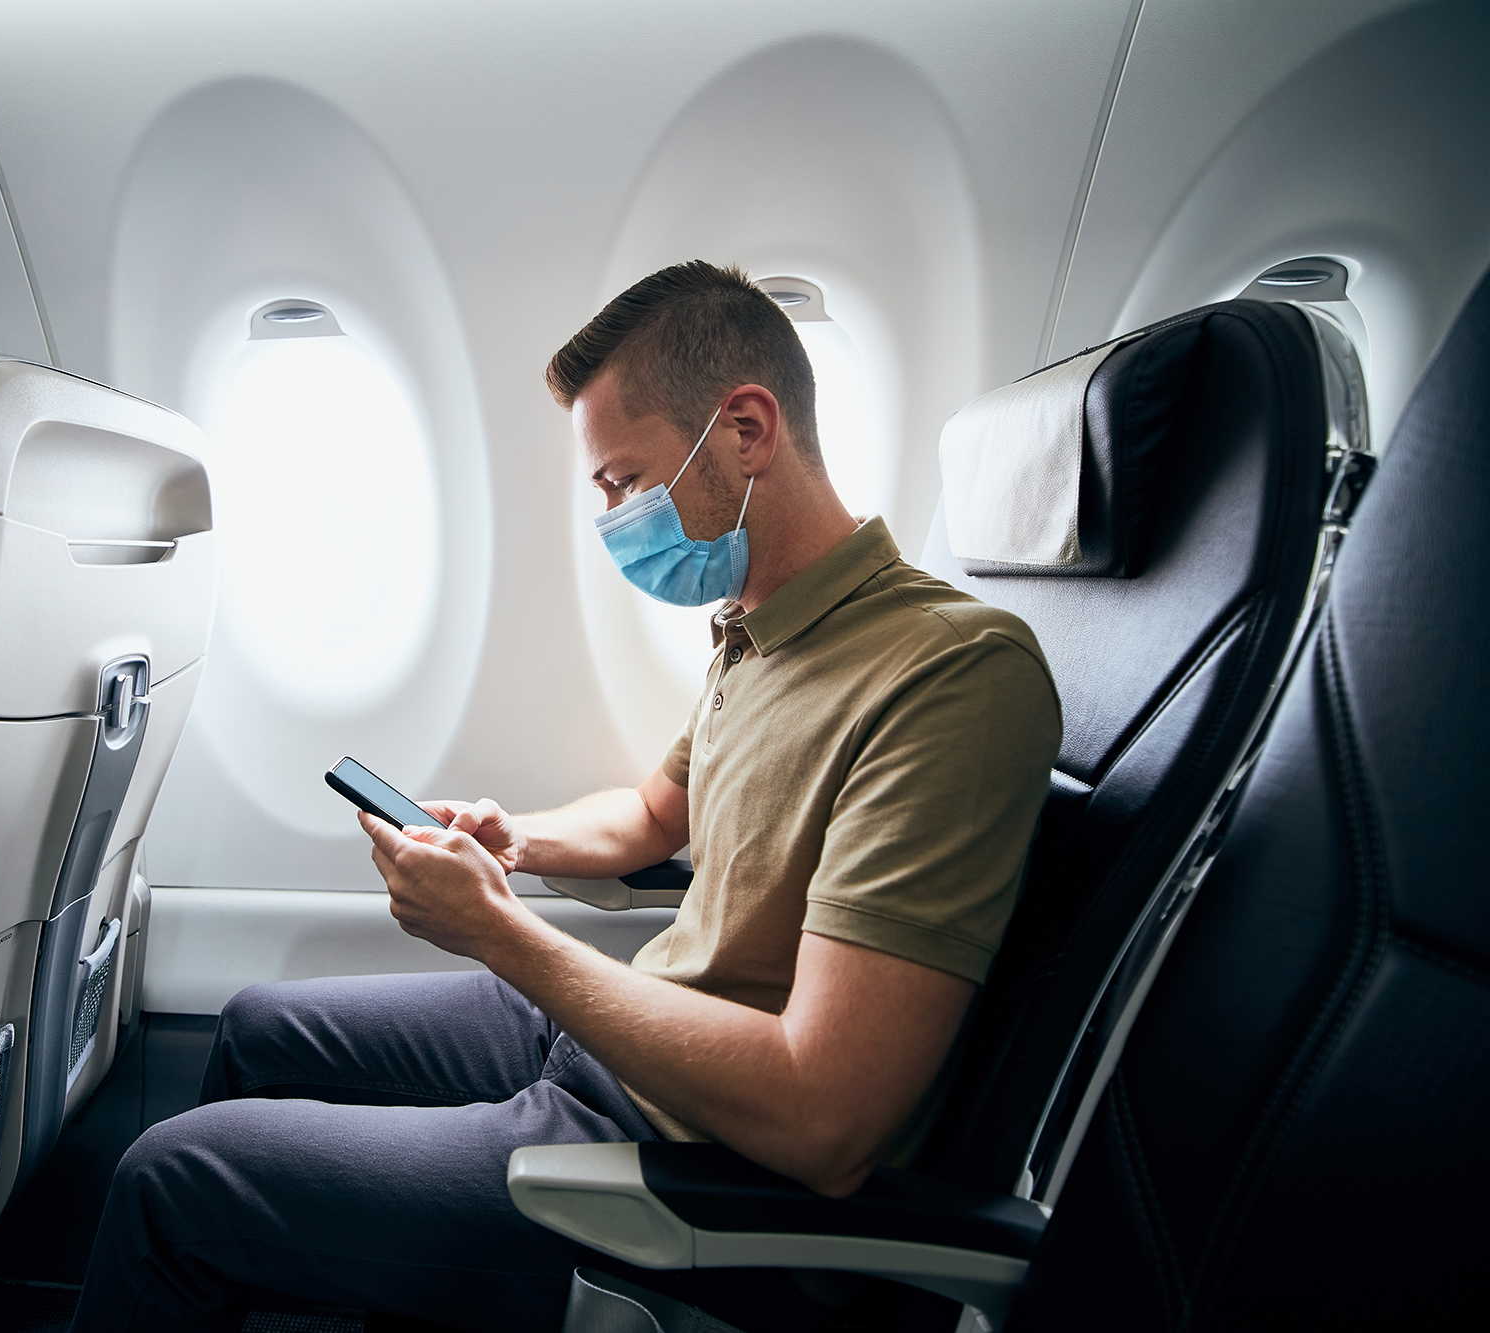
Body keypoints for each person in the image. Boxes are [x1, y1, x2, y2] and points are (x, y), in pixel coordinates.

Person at [72, 261, 1061, 1331]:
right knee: (261, 1027)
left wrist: (500, 933)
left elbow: (826, 1115)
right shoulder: (760, 629)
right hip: (628, 1035)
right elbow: (653, 815)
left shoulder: (946, 675)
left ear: (744, 430)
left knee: (170, 1179)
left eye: (623, 481)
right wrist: (512, 839)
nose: (613, 517)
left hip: (679, 1159)